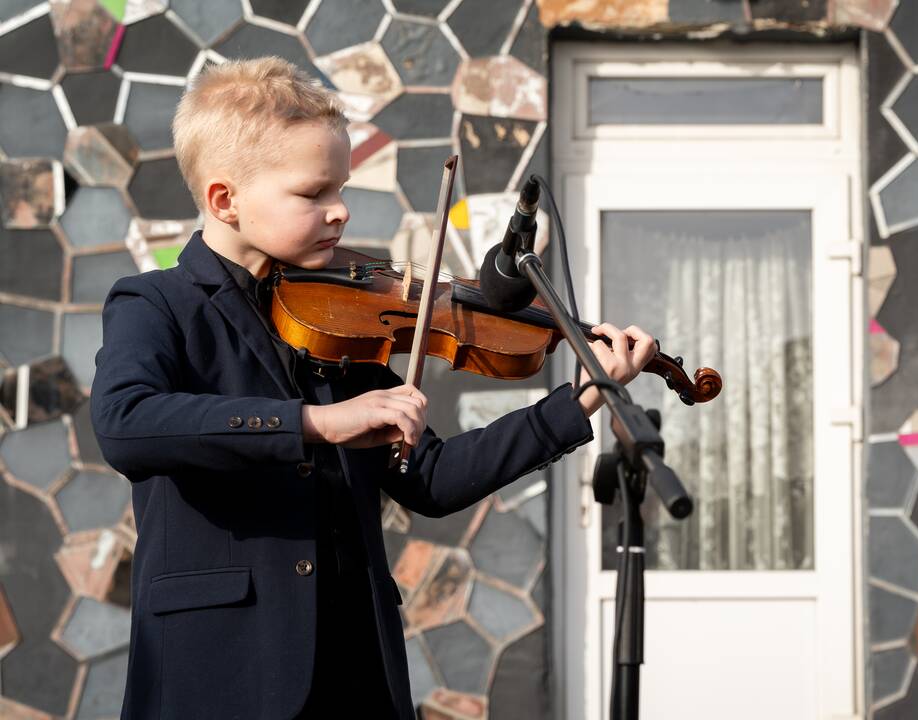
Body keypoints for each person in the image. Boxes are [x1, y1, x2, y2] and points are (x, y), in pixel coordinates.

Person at [90, 57, 655, 720]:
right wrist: (315, 423)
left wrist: (579, 399)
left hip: (357, 676)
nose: (340, 212)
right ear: (225, 200)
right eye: (313, 193)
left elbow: (432, 479)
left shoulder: (334, 316)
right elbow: (126, 422)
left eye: (343, 188)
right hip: (220, 675)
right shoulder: (155, 303)